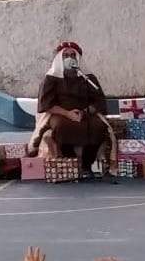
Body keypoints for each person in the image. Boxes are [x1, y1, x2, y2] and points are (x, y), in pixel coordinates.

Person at [36, 40, 113, 177]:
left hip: (85, 112)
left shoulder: (88, 77)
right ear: (59, 58)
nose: (70, 58)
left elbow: (99, 100)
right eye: (66, 55)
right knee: (63, 127)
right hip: (60, 113)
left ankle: (86, 165)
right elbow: (46, 104)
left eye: (73, 55)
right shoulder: (51, 78)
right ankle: (71, 163)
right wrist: (67, 113)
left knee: (98, 127)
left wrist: (85, 111)